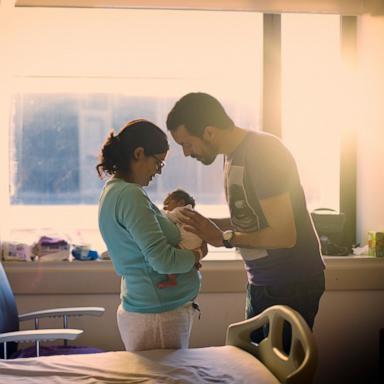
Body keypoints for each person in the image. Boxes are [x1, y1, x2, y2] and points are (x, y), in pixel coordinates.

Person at [166, 92, 325, 346]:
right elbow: (251, 218)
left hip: (291, 283)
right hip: (261, 283)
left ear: (209, 132)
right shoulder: (232, 156)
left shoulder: (263, 152)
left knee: (277, 374)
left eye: (187, 143)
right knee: (252, 366)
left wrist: (223, 238)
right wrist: (202, 224)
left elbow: (284, 235)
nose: (186, 153)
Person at [96, 119, 207, 352]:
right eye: (158, 163)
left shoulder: (115, 190)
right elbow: (162, 260)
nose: (158, 172)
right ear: (139, 154)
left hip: (155, 310)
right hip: (158, 315)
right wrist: (196, 255)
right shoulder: (129, 195)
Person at [158, 189, 203, 288]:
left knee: (170, 257)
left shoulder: (180, 211)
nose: (165, 207)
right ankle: (193, 264)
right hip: (196, 244)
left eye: (167, 203)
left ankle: (172, 279)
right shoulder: (191, 212)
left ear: (181, 203)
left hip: (187, 243)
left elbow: (166, 217)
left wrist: (159, 212)